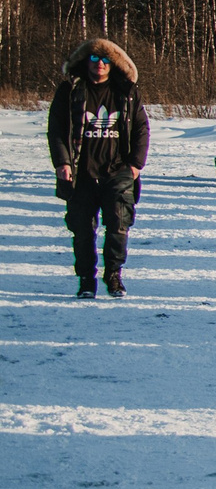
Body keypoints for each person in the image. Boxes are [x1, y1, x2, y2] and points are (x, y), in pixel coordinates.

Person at [47, 38, 148, 298]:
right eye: (94, 59)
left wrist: (135, 165)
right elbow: (56, 129)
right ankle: (86, 280)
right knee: (81, 230)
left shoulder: (126, 91)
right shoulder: (70, 90)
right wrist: (62, 163)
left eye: (105, 60)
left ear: (112, 63)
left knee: (118, 225)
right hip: (81, 173)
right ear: (86, 61)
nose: (100, 64)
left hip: (118, 172)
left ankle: (114, 275)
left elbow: (141, 128)